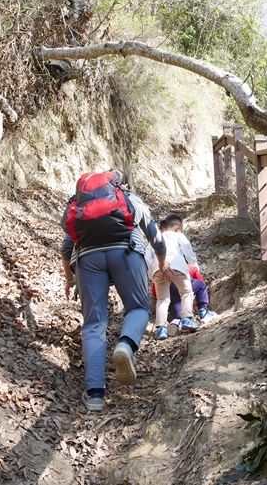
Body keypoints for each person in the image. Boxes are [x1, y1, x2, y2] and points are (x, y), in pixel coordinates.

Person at [61, 170, 170, 412]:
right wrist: (162, 264)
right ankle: (126, 345)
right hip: (127, 251)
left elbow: (67, 246)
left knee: (93, 324)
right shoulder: (128, 198)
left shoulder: (77, 206)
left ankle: (95, 396)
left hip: (87, 258)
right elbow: (156, 237)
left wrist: (69, 278)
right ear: (117, 185)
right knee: (138, 308)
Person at [145, 215, 201, 340]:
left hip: (158, 270)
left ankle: (161, 329)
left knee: (162, 300)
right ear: (178, 228)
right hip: (178, 267)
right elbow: (188, 251)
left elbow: (147, 258)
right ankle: (187, 319)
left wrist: (152, 275)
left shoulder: (155, 238)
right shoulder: (179, 236)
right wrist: (194, 266)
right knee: (186, 292)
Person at [152, 263, 217, 337]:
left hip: (168, 290)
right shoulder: (189, 267)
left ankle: (168, 327)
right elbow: (201, 282)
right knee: (200, 287)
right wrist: (196, 301)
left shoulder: (157, 271)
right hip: (180, 277)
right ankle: (203, 312)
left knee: (166, 302)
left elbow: (155, 293)